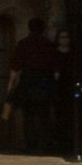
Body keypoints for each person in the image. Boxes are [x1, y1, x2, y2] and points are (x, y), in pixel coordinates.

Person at [11, 14, 67, 154]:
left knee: (28, 117)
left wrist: (11, 86)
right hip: (45, 82)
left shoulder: (23, 44)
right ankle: (45, 145)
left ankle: (31, 144)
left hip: (28, 82)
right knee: (44, 116)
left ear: (29, 29)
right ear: (43, 29)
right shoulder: (49, 45)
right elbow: (56, 70)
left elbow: (15, 67)